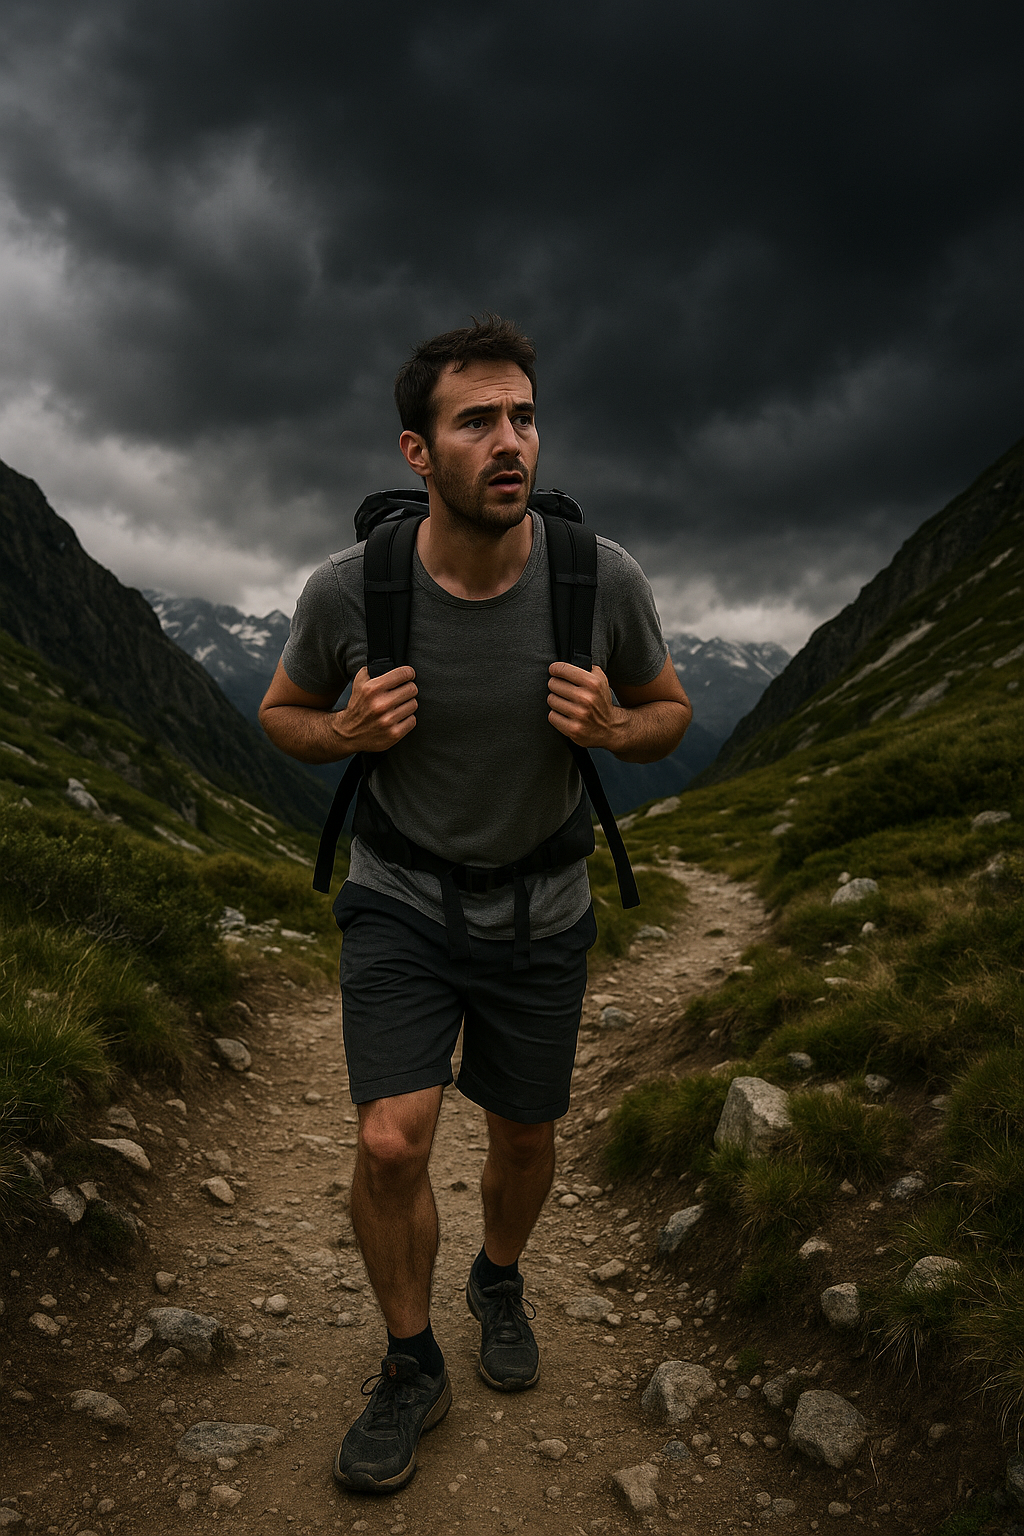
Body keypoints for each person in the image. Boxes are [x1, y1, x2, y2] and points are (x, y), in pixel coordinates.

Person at [259, 316, 692, 1494]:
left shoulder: (597, 578)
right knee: (391, 1139)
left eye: (523, 417)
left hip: (544, 908)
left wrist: (615, 727)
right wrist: (340, 731)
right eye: (476, 420)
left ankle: (497, 1276)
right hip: (399, 898)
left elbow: (669, 710)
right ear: (418, 449)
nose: (511, 441)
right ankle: (411, 1363)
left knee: (525, 1136)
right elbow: (280, 717)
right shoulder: (352, 591)